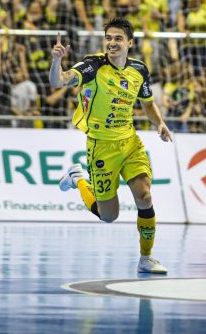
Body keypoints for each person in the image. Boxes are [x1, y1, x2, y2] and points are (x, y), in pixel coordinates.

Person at [50, 17, 173, 274]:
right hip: (101, 147)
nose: (112, 43)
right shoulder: (93, 66)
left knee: (145, 196)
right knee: (109, 216)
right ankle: (78, 179)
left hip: (129, 142)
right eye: (108, 38)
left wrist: (160, 124)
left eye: (118, 38)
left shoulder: (139, 70)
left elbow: (148, 103)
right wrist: (56, 61)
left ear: (130, 42)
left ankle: (145, 258)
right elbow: (59, 80)